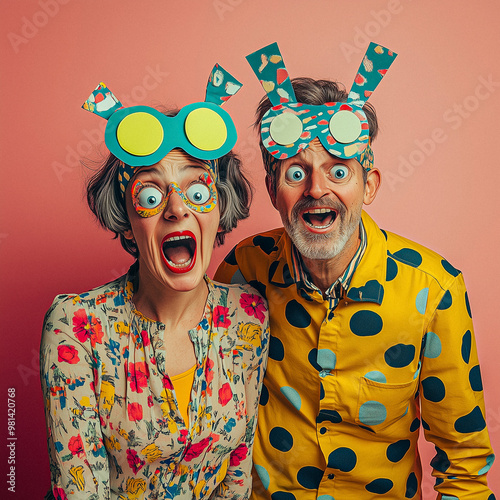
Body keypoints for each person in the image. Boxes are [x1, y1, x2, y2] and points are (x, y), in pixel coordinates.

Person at [215, 43, 495, 498]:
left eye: (339, 171)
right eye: (295, 173)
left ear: (370, 186)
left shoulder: (434, 289)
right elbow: (208, 417)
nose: (317, 189)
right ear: (271, 189)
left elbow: (463, 465)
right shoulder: (244, 270)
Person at [40, 65, 269, 499]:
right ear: (127, 222)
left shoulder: (249, 315)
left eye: (197, 192)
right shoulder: (76, 325)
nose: (176, 210)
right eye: (150, 196)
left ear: (220, 210)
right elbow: (80, 489)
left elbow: (237, 477)